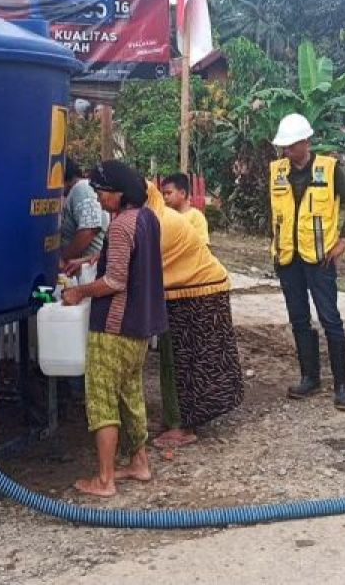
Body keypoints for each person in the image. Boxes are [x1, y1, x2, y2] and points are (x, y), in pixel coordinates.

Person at [61, 160, 167, 498]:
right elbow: (132, 264)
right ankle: (139, 462)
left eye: (102, 192)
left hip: (113, 328)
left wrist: (78, 291)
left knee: (102, 399)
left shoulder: (121, 226)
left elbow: (115, 280)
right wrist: (94, 260)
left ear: (119, 194)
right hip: (140, 326)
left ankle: (105, 479)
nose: (98, 197)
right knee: (130, 394)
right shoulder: (147, 218)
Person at [269, 113, 345, 410]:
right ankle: (310, 377)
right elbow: (273, 211)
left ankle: (342, 387)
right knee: (298, 319)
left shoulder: (328, 169)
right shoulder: (277, 171)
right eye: (283, 147)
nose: (286, 152)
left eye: (291, 146)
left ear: (305, 142)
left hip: (320, 259)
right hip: (287, 260)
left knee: (330, 319)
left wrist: (344, 240)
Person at [145, 182, 242, 449]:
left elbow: (137, 267)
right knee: (171, 359)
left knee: (193, 361)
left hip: (200, 294)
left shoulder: (159, 223)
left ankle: (186, 426)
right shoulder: (153, 217)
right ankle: (173, 418)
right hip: (178, 293)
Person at [60, 159, 107, 272]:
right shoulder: (77, 192)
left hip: (88, 271)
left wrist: (63, 257)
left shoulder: (81, 188)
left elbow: (89, 230)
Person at [160, 172, 210, 246]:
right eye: (163, 194)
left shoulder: (196, 217)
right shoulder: (164, 215)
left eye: (169, 193)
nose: (165, 197)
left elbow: (202, 245)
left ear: (183, 193)